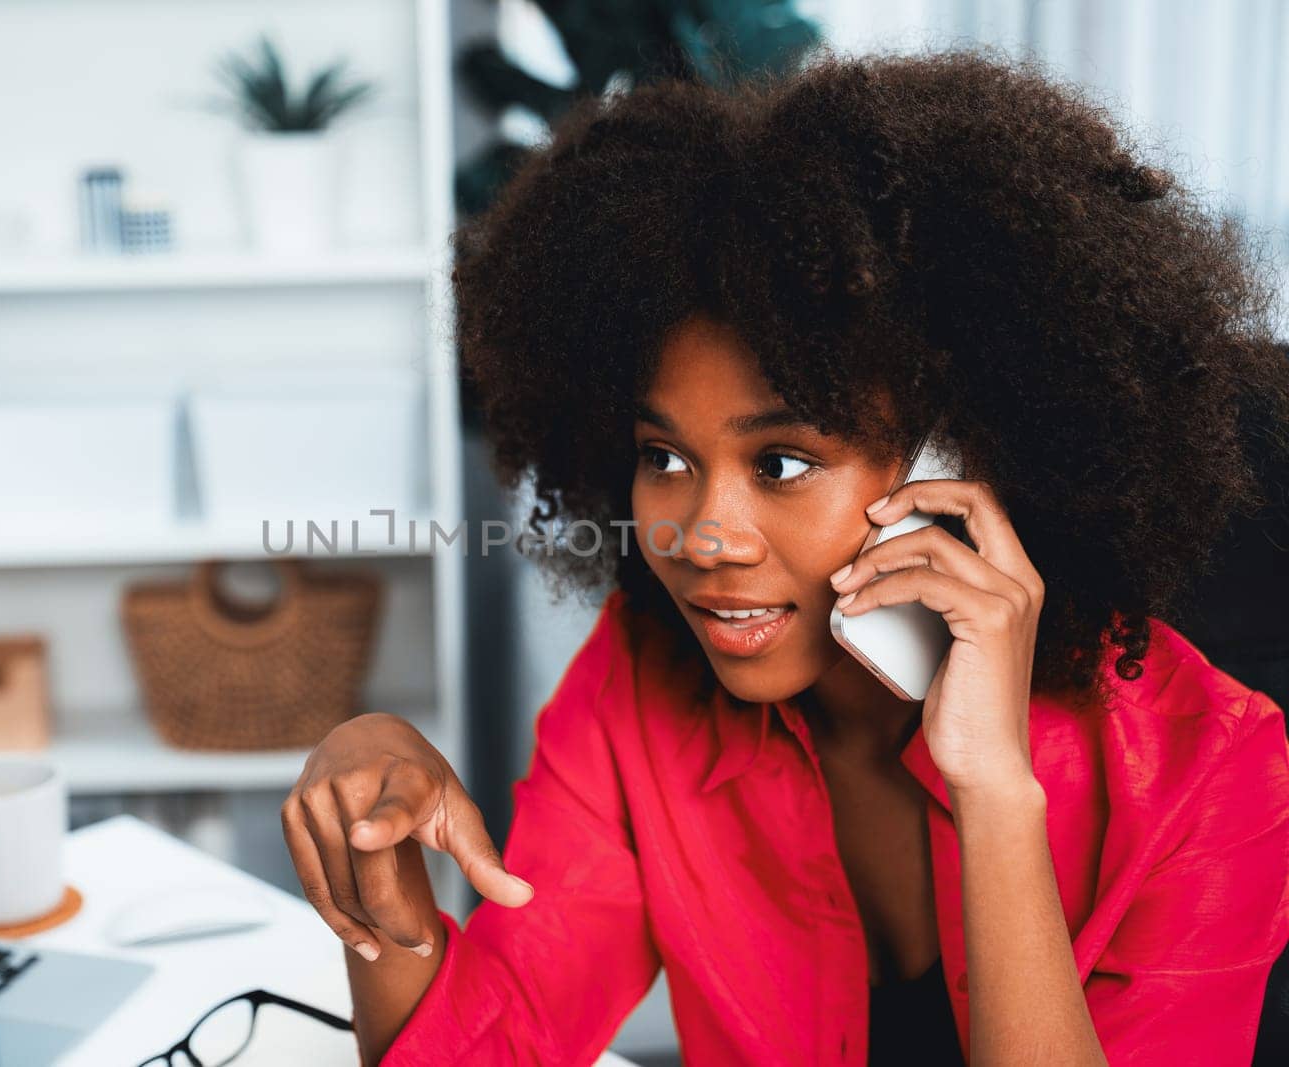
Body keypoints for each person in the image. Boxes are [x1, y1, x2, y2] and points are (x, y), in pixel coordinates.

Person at [280, 48, 1289, 1065]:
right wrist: (383, 868)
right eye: (662, 455)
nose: (702, 536)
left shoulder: (1213, 767)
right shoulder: (639, 680)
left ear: (961, 459)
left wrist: (993, 789)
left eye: (782, 460)